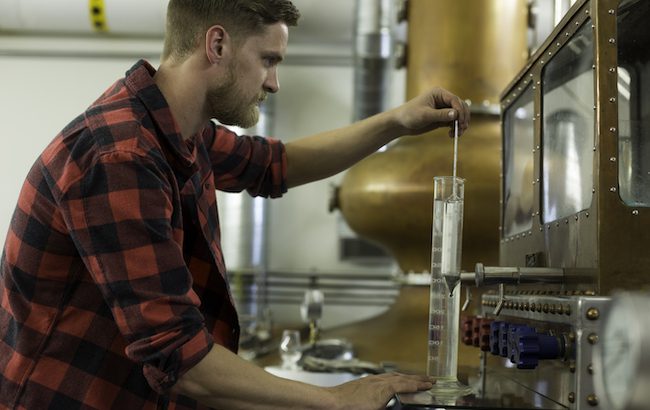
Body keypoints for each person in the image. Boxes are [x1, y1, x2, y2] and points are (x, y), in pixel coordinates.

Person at [0, 1, 470, 409]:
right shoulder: (120, 156)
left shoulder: (183, 133)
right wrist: (335, 399)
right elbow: (179, 357)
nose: (274, 83)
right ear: (218, 45)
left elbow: (276, 165)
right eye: (268, 60)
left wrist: (396, 123)